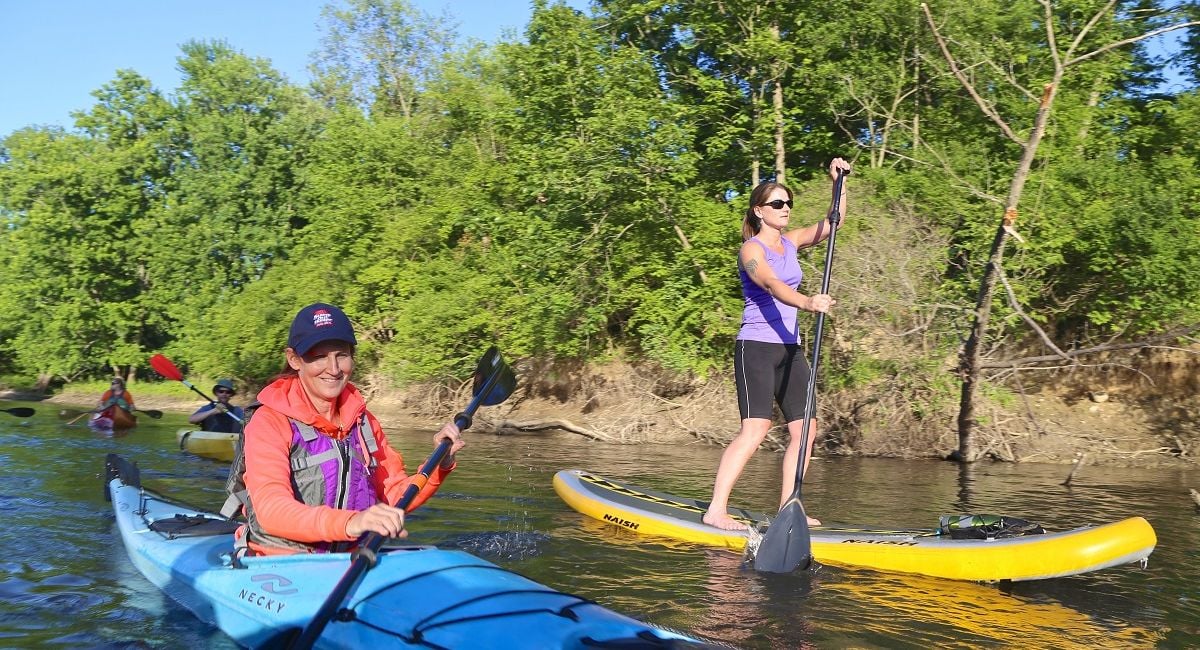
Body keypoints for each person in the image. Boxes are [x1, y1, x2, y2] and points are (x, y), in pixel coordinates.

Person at [235, 302, 465, 556]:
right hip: (279, 562)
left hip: (350, 558)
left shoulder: (364, 422)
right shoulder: (269, 421)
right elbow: (271, 509)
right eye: (319, 356)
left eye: (341, 355)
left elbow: (393, 496)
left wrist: (439, 464)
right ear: (294, 359)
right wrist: (352, 522)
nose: (333, 369)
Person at [702, 158, 852, 531]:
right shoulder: (751, 251)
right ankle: (716, 509)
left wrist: (840, 184)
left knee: (807, 430)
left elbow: (833, 224)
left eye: (788, 204)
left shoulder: (791, 241)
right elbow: (771, 284)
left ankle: (790, 506)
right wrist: (807, 302)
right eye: (777, 204)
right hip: (756, 346)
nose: (785, 210)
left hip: (790, 349)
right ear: (759, 210)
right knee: (755, 428)